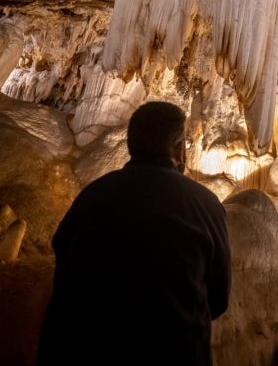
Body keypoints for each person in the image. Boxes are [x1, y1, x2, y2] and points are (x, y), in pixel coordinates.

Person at [37, 101, 231, 365]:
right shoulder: (206, 205)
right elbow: (218, 300)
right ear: (179, 149)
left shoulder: (91, 197)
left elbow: (63, 272)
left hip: (81, 350)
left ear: (131, 145)